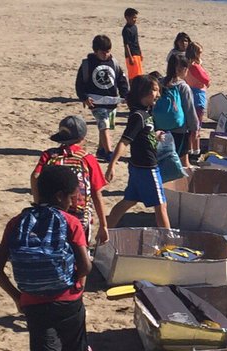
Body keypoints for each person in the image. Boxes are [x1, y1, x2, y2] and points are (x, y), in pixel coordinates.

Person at [0, 164, 100, 351]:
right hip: (68, 301)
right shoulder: (71, 223)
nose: (76, 200)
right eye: (74, 196)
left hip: (33, 304)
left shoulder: (17, 223)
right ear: (61, 196)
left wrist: (18, 297)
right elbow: (85, 267)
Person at [30, 115, 109, 248]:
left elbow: (35, 176)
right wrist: (103, 224)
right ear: (82, 137)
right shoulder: (87, 158)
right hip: (79, 215)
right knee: (79, 248)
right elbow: (96, 193)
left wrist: (38, 203)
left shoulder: (49, 155)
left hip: (51, 211)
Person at [106, 74, 170, 231]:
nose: (158, 94)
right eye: (155, 90)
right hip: (147, 168)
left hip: (137, 167)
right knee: (161, 205)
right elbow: (124, 141)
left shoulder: (146, 113)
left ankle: (104, 233)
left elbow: (143, 135)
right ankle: (170, 244)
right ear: (143, 92)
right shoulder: (138, 116)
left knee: (128, 201)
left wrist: (156, 135)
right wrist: (111, 165)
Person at [75, 33, 129, 158]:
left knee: (105, 126)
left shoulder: (114, 63)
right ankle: (109, 152)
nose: (106, 55)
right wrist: (84, 97)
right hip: (96, 102)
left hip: (112, 102)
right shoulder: (87, 65)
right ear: (95, 51)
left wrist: (125, 94)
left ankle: (101, 150)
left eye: (108, 52)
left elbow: (121, 80)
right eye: (102, 52)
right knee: (104, 125)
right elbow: (80, 84)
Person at [160, 54, 200, 160]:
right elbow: (189, 109)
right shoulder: (183, 86)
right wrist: (195, 128)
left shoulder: (160, 83)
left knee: (163, 159)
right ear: (182, 69)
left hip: (160, 128)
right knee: (182, 162)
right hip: (179, 129)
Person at [184, 42, 210, 158]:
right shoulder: (194, 66)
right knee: (196, 126)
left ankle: (191, 150)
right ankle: (194, 150)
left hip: (192, 94)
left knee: (193, 125)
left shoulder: (188, 65)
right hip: (197, 95)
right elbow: (205, 79)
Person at [121, 8, 143, 82]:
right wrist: (130, 57)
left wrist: (140, 53)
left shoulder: (135, 27)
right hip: (131, 55)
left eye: (135, 17)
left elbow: (137, 41)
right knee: (132, 76)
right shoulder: (126, 30)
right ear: (127, 17)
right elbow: (126, 44)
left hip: (137, 53)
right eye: (133, 17)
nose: (135, 19)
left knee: (139, 74)